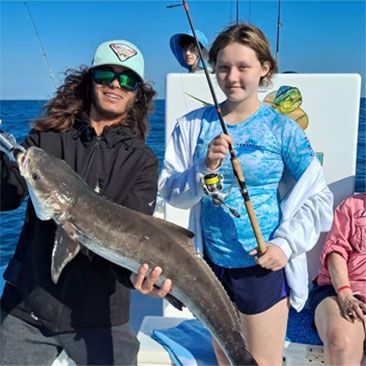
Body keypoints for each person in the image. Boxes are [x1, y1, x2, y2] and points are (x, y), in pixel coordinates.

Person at [159, 23, 333, 366]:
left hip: (260, 267)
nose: (231, 77)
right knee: (225, 359)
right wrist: (202, 168)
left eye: (243, 67)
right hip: (209, 267)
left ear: (264, 68)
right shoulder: (192, 125)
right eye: (223, 67)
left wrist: (285, 245)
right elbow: (171, 194)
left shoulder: (283, 129)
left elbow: (319, 197)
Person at [0, 39, 171, 365]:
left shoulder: (142, 161)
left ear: (137, 93)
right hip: (28, 306)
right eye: (107, 74)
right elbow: (7, 195)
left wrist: (140, 276)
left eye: (128, 80)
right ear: (90, 79)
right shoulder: (46, 137)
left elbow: (134, 239)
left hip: (101, 316)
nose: (116, 85)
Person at [309, 193, 366, 365]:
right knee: (340, 340)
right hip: (341, 289)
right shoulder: (351, 206)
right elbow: (335, 252)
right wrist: (345, 295)